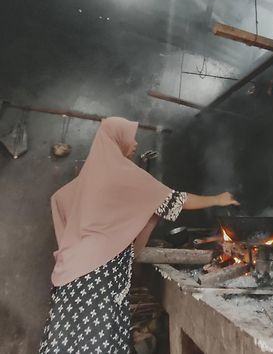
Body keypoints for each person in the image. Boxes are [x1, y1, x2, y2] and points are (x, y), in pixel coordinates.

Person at [38, 117, 238, 354]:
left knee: (69, 336)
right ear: (115, 140)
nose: (134, 143)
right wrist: (218, 199)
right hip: (100, 274)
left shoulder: (91, 175)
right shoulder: (122, 172)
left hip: (72, 272)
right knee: (99, 337)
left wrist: (72, 239)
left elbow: (59, 199)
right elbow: (173, 200)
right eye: (129, 137)